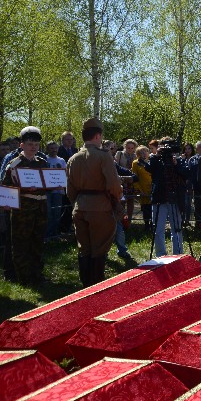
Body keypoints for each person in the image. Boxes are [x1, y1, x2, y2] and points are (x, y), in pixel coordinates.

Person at [66, 119, 124, 286]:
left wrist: (77, 203)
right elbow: (114, 185)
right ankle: (96, 287)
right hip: (100, 207)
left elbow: (69, 189)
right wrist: (117, 199)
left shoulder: (73, 158)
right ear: (98, 135)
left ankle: (85, 285)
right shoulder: (103, 156)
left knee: (84, 249)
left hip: (79, 207)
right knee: (99, 249)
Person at [3, 126, 50, 285]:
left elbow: (49, 183)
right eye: (30, 144)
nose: (33, 147)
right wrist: (23, 188)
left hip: (41, 207)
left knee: (37, 241)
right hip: (23, 209)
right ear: (21, 145)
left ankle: (37, 273)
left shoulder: (42, 162)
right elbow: (6, 189)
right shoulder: (14, 164)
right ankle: (23, 277)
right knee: (21, 243)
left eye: (36, 144)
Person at [147, 137, 188, 257]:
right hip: (159, 198)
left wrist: (176, 164)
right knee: (158, 229)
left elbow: (186, 174)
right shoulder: (155, 159)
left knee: (176, 228)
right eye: (164, 145)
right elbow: (150, 170)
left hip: (175, 198)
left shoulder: (178, 160)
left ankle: (178, 254)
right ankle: (160, 254)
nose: (166, 148)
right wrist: (157, 156)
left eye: (169, 145)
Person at [43, 141, 67, 242]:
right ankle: (47, 236)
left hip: (58, 191)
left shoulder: (61, 161)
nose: (54, 150)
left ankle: (56, 235)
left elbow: (66, 174)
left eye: (55, 148)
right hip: (47, 191)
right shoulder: (44, 160)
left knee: (57, 213)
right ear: (47, 149)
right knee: (48, 213)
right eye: (51, 148)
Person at [131, 145, 153, 232]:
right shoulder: (135, 163)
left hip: (152, 188)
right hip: (143, 188)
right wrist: (139, 190)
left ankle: (153, 225)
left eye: (146, 151)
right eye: (141, 152)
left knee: (153, 208)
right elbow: (135, 177)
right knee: (145, 208)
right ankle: (147, 226)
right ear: (138, 154)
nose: (144, 154)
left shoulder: (152, 161)